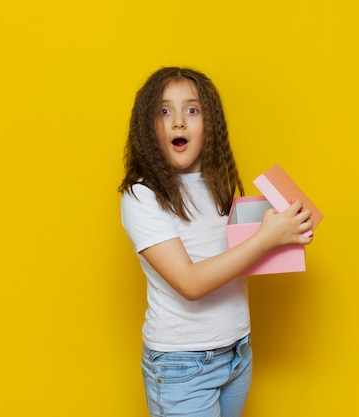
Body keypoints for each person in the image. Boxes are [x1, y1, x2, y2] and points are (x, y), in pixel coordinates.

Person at [118, 67, 314, 417]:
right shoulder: (141, 197)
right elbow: (191, 283)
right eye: (165, 111)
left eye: (192, 110)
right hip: (183, 365)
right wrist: (267, 238)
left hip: (237, 351)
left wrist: (288, 233)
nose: (179, 121)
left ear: (210, 125)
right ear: (149, 127)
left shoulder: (216, 185)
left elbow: (232, 260)